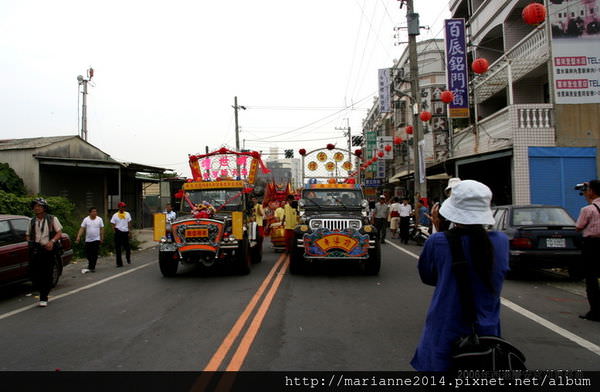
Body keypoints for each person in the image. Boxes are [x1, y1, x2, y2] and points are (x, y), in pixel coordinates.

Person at [411, 180, 509, 371]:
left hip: (445, 329)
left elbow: (429, 277)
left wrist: (440, 231)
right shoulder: (501, 242)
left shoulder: (437, 241)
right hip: (487, 332)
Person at [25, 198, 63, 307]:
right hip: (36, 249)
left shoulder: (52, 219)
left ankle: (44, 296)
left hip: (48, 249)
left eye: (39, 206)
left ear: (44, 208)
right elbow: (27, 234)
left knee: (47, 273)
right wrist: (29, 241)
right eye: (35, 206)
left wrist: (52, 241)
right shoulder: (32, 221)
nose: (36, 208)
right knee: (35, 273)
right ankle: (41, 289)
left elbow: (59, 232)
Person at [575, 180, 600, 322]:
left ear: (592, 191)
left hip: (592, 245)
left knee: (591, 278)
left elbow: (579, 227)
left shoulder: (588, 210)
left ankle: (595, 311)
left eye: (587, 189)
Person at [76, 207, 104, 273]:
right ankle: (91, 264)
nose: (95, 213)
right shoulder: (86, 219)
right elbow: (82, 228)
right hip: (88, 240)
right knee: (88, 254)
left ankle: (92, 267)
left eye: (96, 211)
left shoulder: (99, 219)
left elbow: (102, 229)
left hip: (96, 239)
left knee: (94, 253)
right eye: (93, 211)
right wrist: (78, 236)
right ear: (90, 213)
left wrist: (102, 238)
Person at [111, 202, 132, 267]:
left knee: (127, 247)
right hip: (118, 232)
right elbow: (112, 224)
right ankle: (119, 263)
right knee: (118, 248)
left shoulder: (127, 214)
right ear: (119, 207)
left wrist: (130, 232)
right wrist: (114, 231)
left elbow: (129, 223)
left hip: (125, 232)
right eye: (122, 207)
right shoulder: (115, 215)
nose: (123, 208)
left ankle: (128, 257)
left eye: (124, 207)